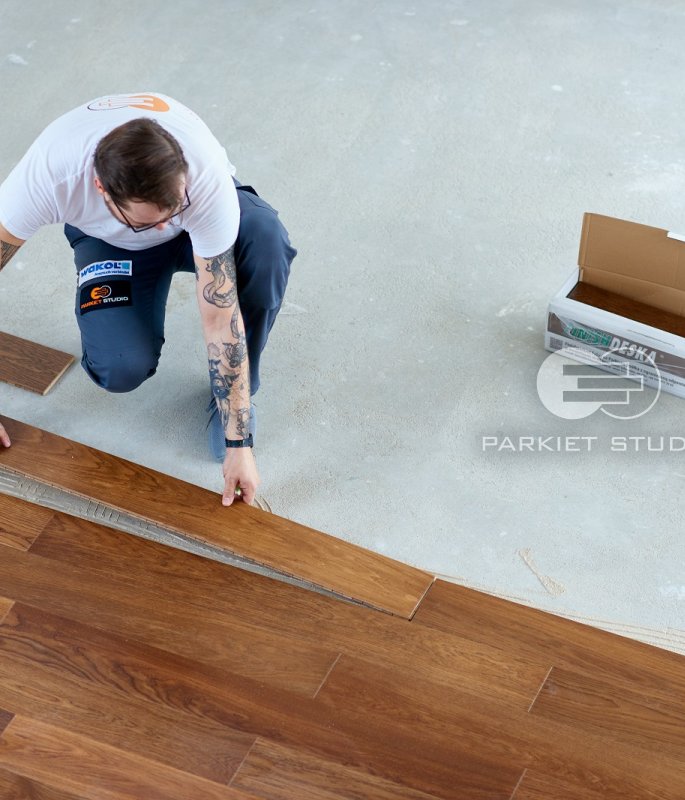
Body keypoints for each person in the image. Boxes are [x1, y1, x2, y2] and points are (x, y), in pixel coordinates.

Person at [0, 92, 296, 506]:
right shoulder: (48, 178)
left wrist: (238, 441)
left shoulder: (203, 181)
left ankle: (234, 396)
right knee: (120, 368)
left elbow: (218, 317)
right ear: (101, 189)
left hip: (206, 222)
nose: (165, 228)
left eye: (172, 211)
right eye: (149, 222)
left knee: (266, 244)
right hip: (112, 244)